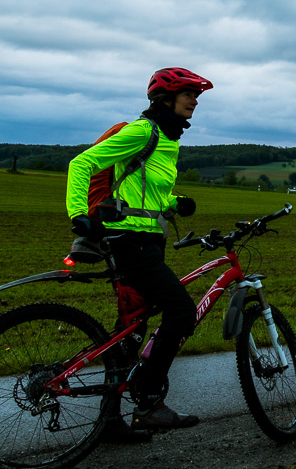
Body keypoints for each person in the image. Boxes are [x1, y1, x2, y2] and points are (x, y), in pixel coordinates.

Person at [66, 67, 212, 437]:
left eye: (196, 96)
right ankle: (148, 403)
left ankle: (111, 421)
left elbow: (141, 191)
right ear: (167, 98)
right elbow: (82, 163)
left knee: (131, 328)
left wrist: (175, 202)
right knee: (182, 312)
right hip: (129, 242)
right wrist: (78, 214)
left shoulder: (167, 138)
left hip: (147, 241)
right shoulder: (143, 131)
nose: (195, 102)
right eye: (189, 95)